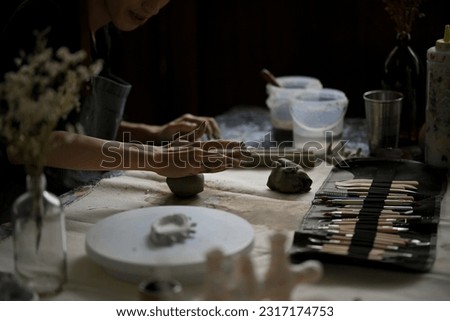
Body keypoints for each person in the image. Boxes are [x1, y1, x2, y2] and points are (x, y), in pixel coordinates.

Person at [0, 0, 248, 224]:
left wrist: (154, 133)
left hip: (68, 197)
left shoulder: (104, 32)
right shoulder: (43, 20)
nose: (153, 7)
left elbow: (79, 126)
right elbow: (24, 143)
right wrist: (156, 158)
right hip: (19, 208)